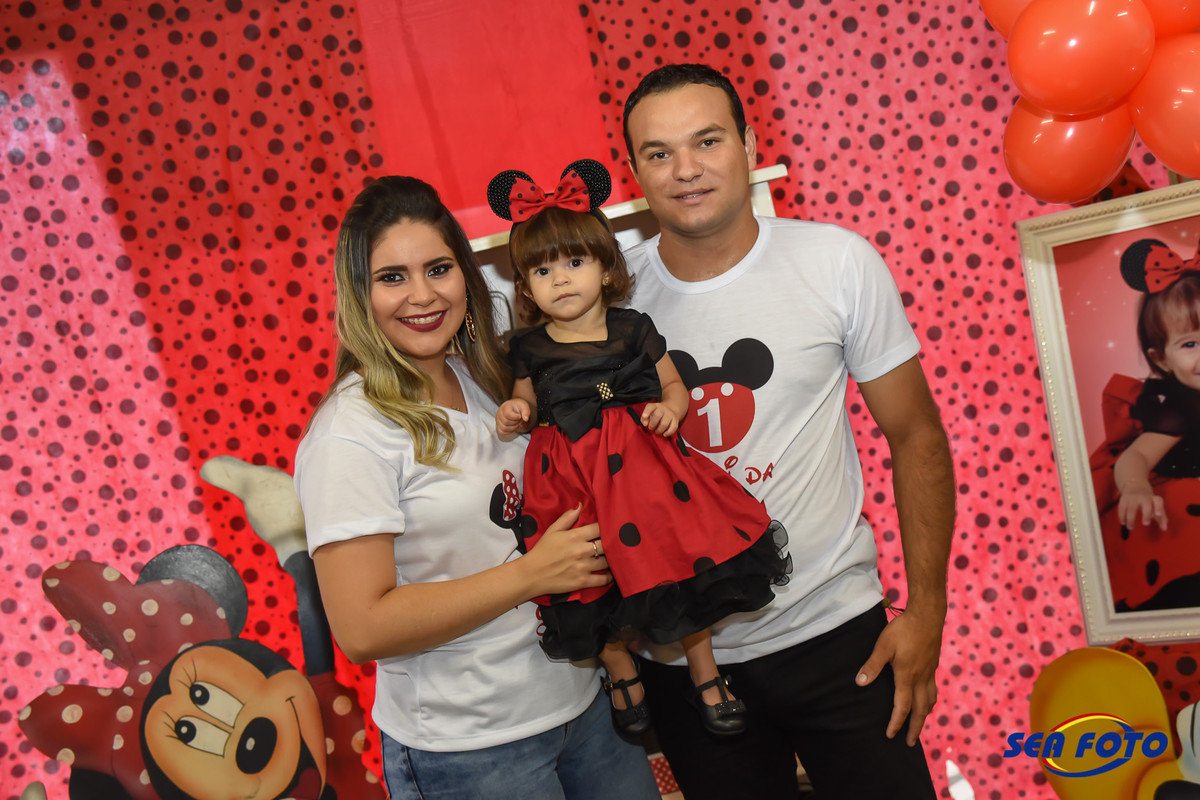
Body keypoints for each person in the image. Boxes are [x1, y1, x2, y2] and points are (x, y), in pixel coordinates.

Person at [619, 63, 955, 799]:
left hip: (840, 638)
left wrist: (927, 612)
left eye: (707, 140)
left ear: (748, 144)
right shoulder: (609, 300)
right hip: (684, 660)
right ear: (635, 172)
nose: (686, 169)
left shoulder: (834, 262)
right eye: (659, 152)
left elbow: (917, 437)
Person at [293, 175, 660, 800]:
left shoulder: (488, 376)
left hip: (583, 704)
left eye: (438, 269)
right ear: (358, 293)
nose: (422, 295)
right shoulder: (349, 434)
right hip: (471, 748)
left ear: (466, 275)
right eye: (392, 277)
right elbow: (362, 629)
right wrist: (531, 575)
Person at [486, 159, 790, 738]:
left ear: (605, 268)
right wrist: (514, 412)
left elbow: (673, 385)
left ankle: (705, 670)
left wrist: (672, 409)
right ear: (524, 287)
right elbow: (523, 400)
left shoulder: (634, 328)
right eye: (543, 270)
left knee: (677, 565)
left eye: (575, 262)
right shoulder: (528, 346)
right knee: (586, 576)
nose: (561, 279)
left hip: (644, 474)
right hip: (570, 479)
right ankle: (621, 669)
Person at [1114, 238, 1200, 534]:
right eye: (1190, 344)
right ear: (1162, 359)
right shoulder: (1179, 409)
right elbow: (1135, 456)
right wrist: (1136, 486)